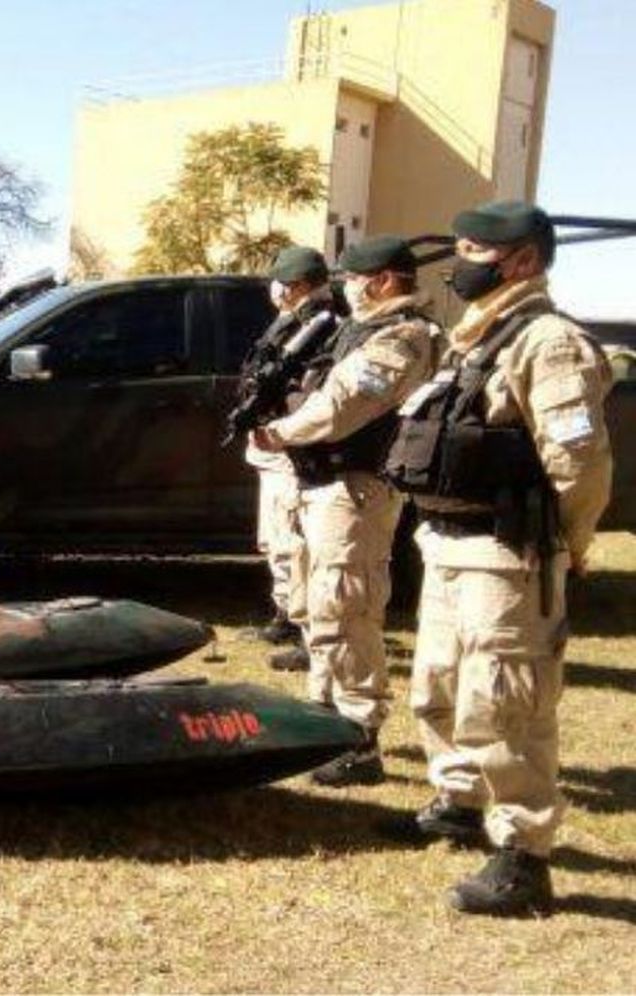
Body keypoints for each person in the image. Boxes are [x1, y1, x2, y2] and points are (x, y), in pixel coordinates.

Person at [385, 201, 612, 917]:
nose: (461, 261)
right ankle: (457, 799)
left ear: (522, 261)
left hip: (508, 555)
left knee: (506, 704)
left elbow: (577, 460)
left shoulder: (549, 342)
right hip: (449, 545)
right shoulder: (478, 336)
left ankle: (522, 856)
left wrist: (570, 547)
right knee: (440, 688)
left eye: (475, 248)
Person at [252, 234, 436, 786]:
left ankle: (359, 735)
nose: (346, 289)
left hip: (354, 491)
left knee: (348, 610)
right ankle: (322, 715)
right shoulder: (353, 331)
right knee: (316, 605)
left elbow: (340, 408)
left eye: (354, 279)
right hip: (320, 485)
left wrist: (276, 434)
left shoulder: (402, 337)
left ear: (381, 281)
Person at [246, 247, 339, 667]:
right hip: (272, 443)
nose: (276, 288)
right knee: (276, 539)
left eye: (284, 281)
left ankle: (305, 631)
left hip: (291, 445)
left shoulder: (322, 323)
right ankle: (286, 614)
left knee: (294, 544)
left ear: (299, 284)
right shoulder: (293, 321)